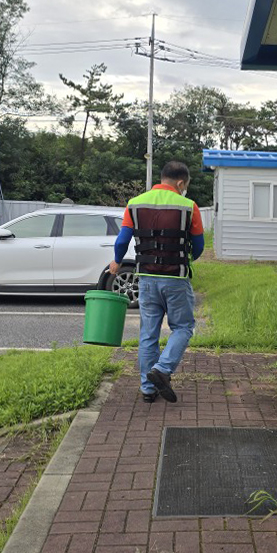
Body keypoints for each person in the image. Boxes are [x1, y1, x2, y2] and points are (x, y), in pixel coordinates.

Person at [109, 161, 205, 403]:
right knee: (183, 327)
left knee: (148, 333)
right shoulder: (189, 207)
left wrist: (117, 261)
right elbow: (199, 246)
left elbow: (122, 241)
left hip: (147, 278)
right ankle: (162, 369)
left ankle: (148, 389)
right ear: (181, 183)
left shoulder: (135, 203)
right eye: (185, 185)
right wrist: (185, 258)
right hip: (176, 278)